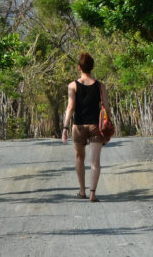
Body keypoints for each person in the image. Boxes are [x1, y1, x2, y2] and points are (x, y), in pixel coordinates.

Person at [61, 52, 110, 202]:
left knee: (79, 157)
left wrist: (65, 128)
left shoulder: (72, 85)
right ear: (92, 67)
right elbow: (106, 108)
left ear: (79, 67)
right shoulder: (100, 86)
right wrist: (109, 127)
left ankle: (82, 190)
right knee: (95, 162)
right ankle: (92, 193)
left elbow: (70, 108)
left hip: (79, 126)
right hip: (96, 126)